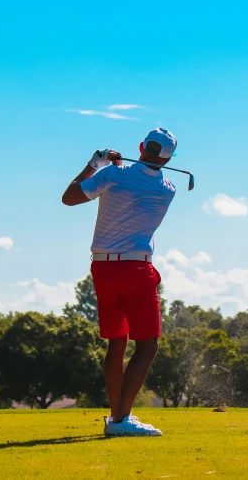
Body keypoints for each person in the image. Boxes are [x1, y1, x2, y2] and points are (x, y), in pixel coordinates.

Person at [61, 128, 178, 437]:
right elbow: (145, 179)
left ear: (140, 146)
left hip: (102, 269)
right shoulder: (168, 189)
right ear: (168, 159)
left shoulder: (112, 176)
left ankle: (118, 418)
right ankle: (119, 419)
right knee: (148, 344)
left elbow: (69, 198)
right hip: (136, 270)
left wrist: (95, 164)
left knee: (118, 342)